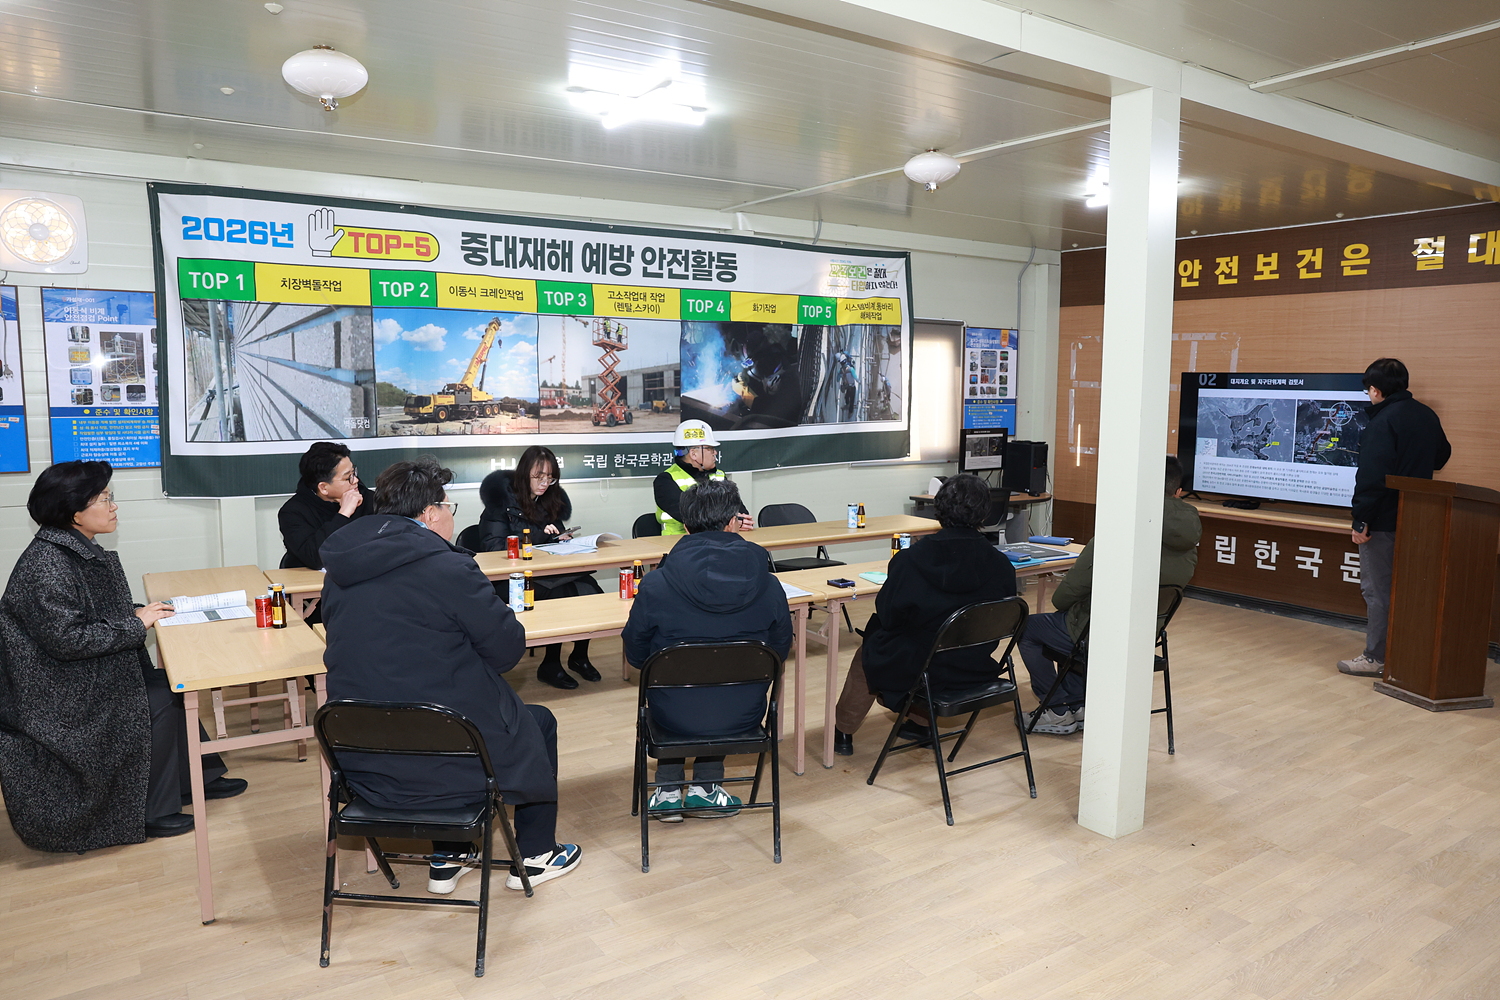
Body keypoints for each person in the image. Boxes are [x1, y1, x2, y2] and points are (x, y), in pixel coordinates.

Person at [319, 456, 581, 893]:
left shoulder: (340, 571)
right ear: (429, 514)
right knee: (535, 722)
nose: (449, 515)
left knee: (428, 703)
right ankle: (536, 855)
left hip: (365, 755)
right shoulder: (449, 567)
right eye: (447, 505)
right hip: (451, 755)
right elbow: (506, 651)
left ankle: (449, 856)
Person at [0, 461, 246, 852]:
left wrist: (138, 613)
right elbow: (68, 640)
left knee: (171, 684)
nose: (113, 506)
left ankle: (198, 779)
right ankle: (151, 809)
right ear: (75, 513)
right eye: (104, 499)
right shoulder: (47, 565)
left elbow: (87, 615)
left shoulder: (71, 548)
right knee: (159, 698)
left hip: (77, 676)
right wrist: (136, 624)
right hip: (56, 697)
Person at [622, 479, 792, 822]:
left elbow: (637, 655)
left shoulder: (655, 584)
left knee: (673, 682)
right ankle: (706, 788)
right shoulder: (770, 584)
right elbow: (780, 650)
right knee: (721, 683)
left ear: (686, 526)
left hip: (673, 714)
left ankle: (667, 792)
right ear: (733, 522)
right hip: (742, 714)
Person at [831, 474, 1017, 755]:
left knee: (869, 652)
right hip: (976, 667)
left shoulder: (912, 559)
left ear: (938, 510)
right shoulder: (1001, 565)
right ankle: (921, 724)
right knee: (926, 644)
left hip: (922, 671)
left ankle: (842, 732)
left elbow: (889, 615)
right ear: (984, 513)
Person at [1018, 455, 1202, 734]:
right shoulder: (1189, 544)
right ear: (1177, 492)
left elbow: (1064, 596)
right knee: (1075, 625)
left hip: (1102, 634)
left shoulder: (1119, 526)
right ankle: (1078, 703)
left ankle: (1056, 709)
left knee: (1030, 627)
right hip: (1143, 637)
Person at [1338, 358, 1451, 677]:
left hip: (1383, 520)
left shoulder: (1382, 420)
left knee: (1378, 591)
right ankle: (1405, 655)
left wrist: (1360, 519)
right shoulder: (1426, 414)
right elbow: (1441, 457)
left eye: (1368, 391)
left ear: (1375, 390)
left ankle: (1376, 658)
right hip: (1419, 518)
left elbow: (1372, 476)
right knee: (1409, 588)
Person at [472, 446, 603, 690]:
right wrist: (538, 538)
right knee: (560, 594)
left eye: (550, 478)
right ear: (524, 474)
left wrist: (560, 538)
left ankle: (579, 656)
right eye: (539, 477)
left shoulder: (546, 502)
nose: (545, 484)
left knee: (590, 588)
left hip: (544, 573)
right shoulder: (500, 504)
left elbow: (551, 540)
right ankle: (550, 664)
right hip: (509, 580)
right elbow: (493, 548)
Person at [277, 441, 375, 570]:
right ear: (323, 488)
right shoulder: (292, 512)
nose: (355, 480)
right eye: (347, 478)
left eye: (354, 473)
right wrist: (344, 514)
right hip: (311, 579)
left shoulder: (367, 498)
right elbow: (314, 558)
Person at [653, 419, 752, 535]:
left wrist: (740, 520)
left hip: (721, 540)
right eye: (710, 449)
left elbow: (740, 511)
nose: (715, 453)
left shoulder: (719, 475)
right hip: (678, 542)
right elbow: (693, 518)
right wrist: (732, 521)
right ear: (694, 454)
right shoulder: (665, 481)